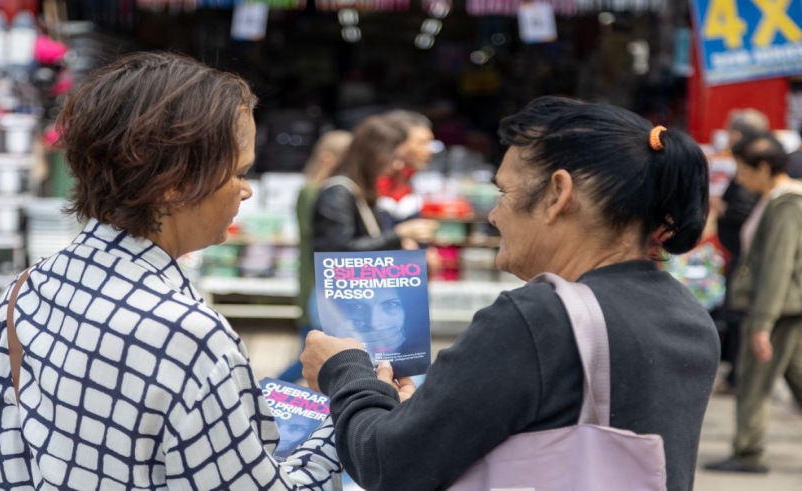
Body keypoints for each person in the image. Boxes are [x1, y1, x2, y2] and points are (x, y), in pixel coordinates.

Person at [301, 96, 720, 491]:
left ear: (558, 195)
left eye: (504, 192)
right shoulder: (688, 316)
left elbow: (385, 464)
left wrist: (345, 371)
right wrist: (415, 415)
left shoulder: (539, 319)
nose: (495, 215)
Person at [0, 52, 341, 490]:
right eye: (239, 172)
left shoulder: (27, 289)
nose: (245, 190)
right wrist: (349, 423)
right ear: (175, 181)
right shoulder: (188, 334)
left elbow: (0, 460)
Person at [706, 132, 802, 474]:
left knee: (753, 383)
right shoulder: (774, 199)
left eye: (744, 171)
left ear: (763, 168)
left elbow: (778, 267)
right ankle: (747, 450)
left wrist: (762, 323)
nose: (740, 179)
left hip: (775, 311)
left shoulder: (786, 203)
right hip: (782, 309)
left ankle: (748, 452)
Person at [278, 130, 353, 383]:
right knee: (309, 352)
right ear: (328, 158)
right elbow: (317, 240)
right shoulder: (314, 192)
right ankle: (268, 393)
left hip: (318, 279)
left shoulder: (323, 190)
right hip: (314, 280)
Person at [312, 115, 437, 254]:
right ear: (374, 154)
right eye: (394, 157)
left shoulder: (359, 189)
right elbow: (339, 252)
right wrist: (398, 235)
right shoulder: (338, 191)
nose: (397, 165)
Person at [714, 109, 768, 391]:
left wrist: (721, 208)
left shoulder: (752, 162)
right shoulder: (749, 160)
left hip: (749, 258)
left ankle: (739, 376)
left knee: (740, 315)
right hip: (744, 255)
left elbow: (744, 210)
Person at [375, 110, 435, 230]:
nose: (429, 150)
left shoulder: (412, 180)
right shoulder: (372, 183)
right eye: (422, 143)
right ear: (398, 143)